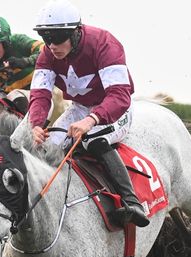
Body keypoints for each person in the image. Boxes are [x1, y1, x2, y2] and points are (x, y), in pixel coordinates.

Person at [27, 0, 149, 227]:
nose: (52, 45)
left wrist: (92, 119)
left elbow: (120, 96)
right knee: (44, 149)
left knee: (92, 139)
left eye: (57, 38)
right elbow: (40, 94)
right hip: (80, 108)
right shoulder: (47, 55)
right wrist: (36, 125)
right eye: (46, 38)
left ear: (75, 33)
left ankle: (132, 202)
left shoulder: (105, 44)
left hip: (113, 109)